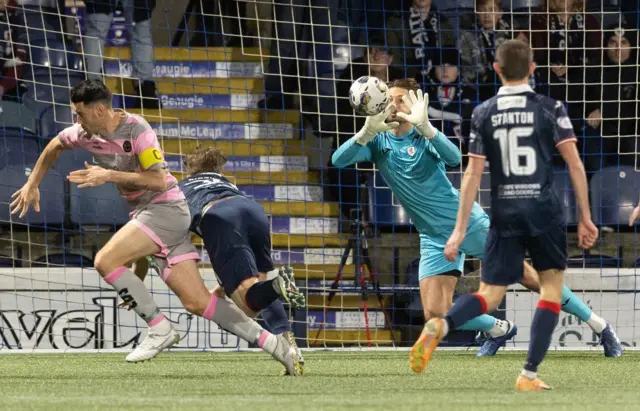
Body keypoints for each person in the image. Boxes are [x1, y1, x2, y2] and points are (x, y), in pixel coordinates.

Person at [9, 80, 301, 375]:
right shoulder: (83, 133)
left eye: (80, 113)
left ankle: (160, 328)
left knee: (105, 260)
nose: (76, 120)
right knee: (199, 303)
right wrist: (32, 184)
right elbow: (54, 145)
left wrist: (107, 175)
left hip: (166, 208)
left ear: (99, 110)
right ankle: (277, 347)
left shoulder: (138, 130)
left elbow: (158, 181)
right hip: (148, 216)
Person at [332, 76, 622, 362]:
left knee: (529, 277)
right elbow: (337, 160)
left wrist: (426, 126)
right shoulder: (377, 141)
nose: (393, 105)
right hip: (432, 236)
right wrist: (365, 132)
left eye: (399, 99)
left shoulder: (424, 136)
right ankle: (499, 330)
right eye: (389, 99)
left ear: (415, 103)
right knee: (434, 314)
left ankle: (600, 325)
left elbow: (454, 158)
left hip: (467, 223)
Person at [417, 39, 601, 391]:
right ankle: (528, 375)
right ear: (533, 69)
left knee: (489, 294)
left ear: (496, 69)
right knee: (549, 289)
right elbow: (575, 164)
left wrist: (457, 231)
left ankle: (442, 326)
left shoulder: (483, 112)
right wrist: (586, 217)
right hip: (543, 211)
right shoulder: (551, 108)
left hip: (503, 213)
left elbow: (471, 175)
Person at [129, 146, 306, 374]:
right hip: (253, 210)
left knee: (248, 306)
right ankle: (291, 349)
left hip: (217, 216)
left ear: (188, 170)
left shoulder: (179, 188)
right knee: (259, 282)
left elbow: (151, 235)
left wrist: (138, 277)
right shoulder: (226, 182)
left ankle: (277, 285)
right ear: (218, 168)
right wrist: (222, 289)